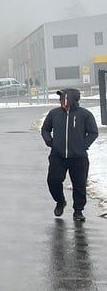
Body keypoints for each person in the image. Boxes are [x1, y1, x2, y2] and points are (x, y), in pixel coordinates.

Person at [40, 88, 99, 221]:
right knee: (53, 181)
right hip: (58, 155)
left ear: (73, 99)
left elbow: (93, 132)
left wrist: (83, 145)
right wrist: (49, 141)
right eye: (61, 98)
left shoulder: (85, 114)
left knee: (79, 185)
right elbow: (45, 129)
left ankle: (78, 210)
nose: (62, 100)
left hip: (78, 157)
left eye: (65, 97)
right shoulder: (54, 113)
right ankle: (60, 201)